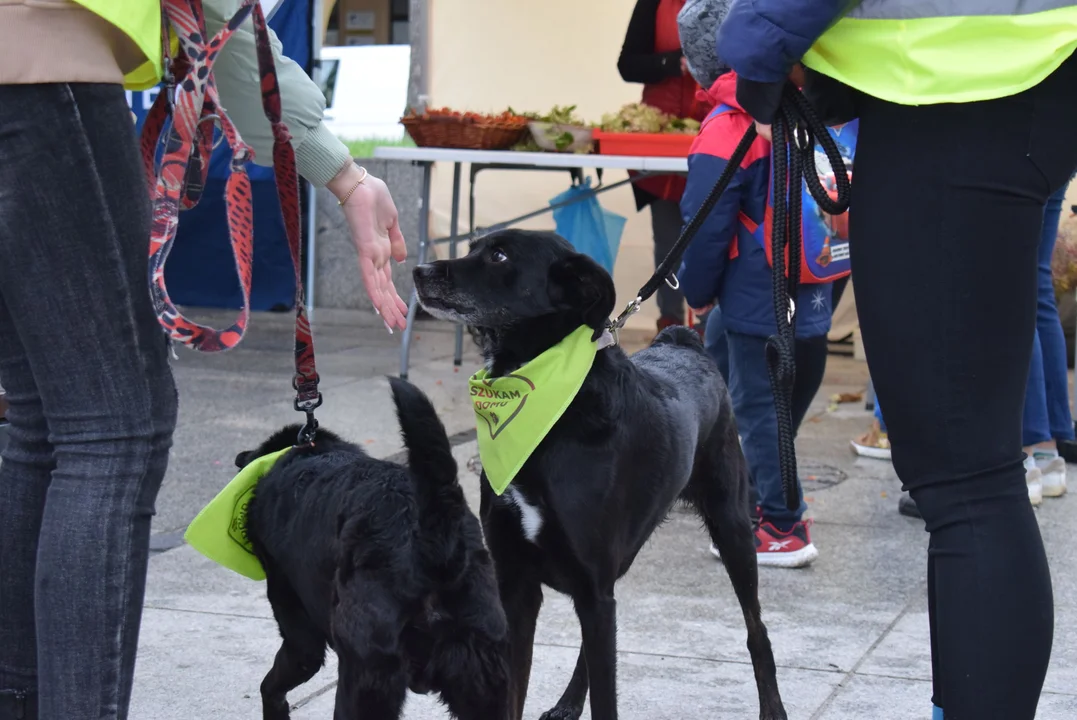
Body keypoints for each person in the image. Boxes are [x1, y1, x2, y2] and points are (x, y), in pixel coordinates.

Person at [0, 2, 409, 718]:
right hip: (39, 62)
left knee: (40, 417)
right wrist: (343, 173)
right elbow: (221, 16)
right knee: (110, 428)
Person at [715, 1, 1077, 717]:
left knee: (966, 484)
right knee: (965, 482)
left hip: (964, 89)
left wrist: (756, 41)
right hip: (990, 81)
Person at [675, 0, 841, 568]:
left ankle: (780, 525)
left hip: (757, 286)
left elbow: (704, 223)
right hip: (812, 278)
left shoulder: (728, 125)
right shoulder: (804, 106)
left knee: (756, 404)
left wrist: (695, 292)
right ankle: (743, 482)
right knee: (738, 369)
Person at [618, 0, 707, 333]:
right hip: (661, 134)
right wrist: (674, 63)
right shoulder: (652, 3)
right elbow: (628, 65)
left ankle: (707, 325)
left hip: (714, 131)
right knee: (667, 239)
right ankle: (669, 325)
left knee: (711, 236)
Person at [1021, 176, 1076, 500]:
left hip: (1009, 146)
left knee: (1012, 284)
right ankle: (1047, 453)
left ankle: (1024, 454)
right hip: (1056, 143)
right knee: (1037, 282)